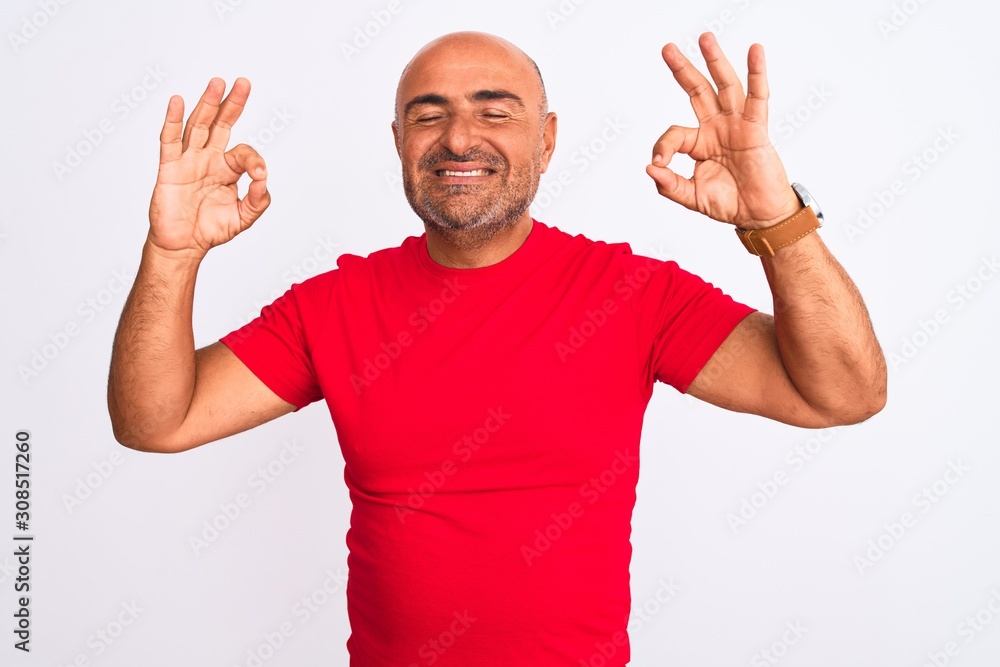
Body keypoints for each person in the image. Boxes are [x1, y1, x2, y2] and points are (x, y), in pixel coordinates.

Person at [107, 31, 886, 666]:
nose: (459, 138)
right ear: (399, 142)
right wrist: (173, 254)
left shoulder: (631, 294)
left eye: (494, 111)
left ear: (547, 141)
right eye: (429, 115)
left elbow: (844, 393)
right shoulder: (331, 306)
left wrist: (777, 218)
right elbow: (155, 421)